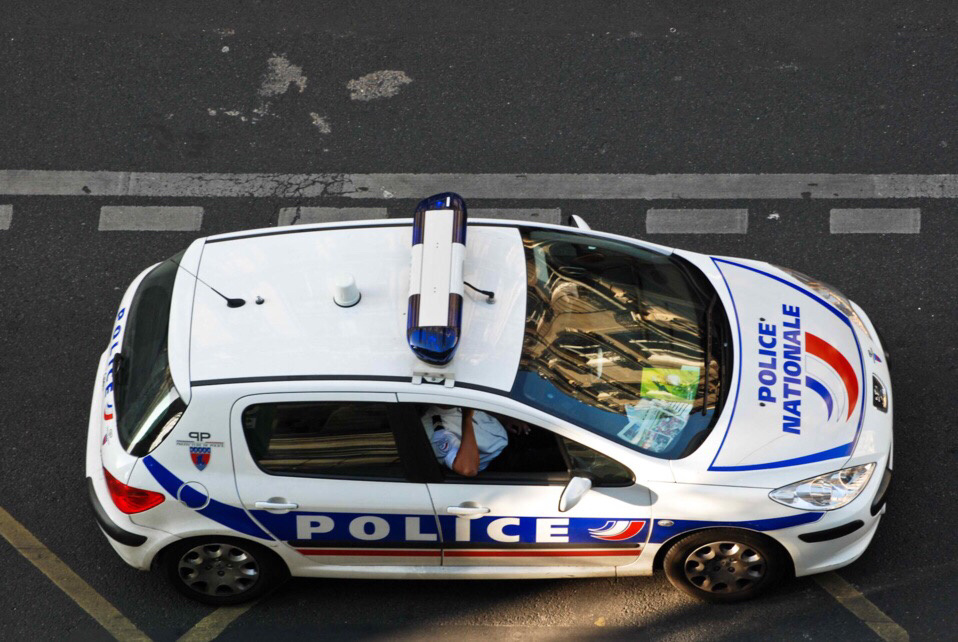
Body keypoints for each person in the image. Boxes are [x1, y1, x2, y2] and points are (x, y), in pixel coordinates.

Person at [420, 405, 509, 476]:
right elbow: (467, 469)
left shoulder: (459, 402)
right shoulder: (435, 427)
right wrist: (467, 418)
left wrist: (506, 420)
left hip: (508, 438)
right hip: (495, 465)